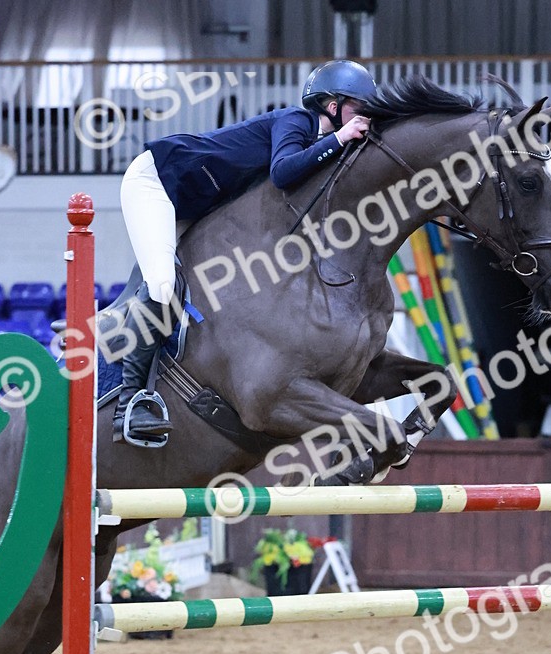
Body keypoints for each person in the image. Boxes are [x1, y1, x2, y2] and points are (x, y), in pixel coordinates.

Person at [114, 59, 376, 444]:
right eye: (358, 107)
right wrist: (341, 139)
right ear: (332, 106)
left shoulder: (317, 143)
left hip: (191, 203)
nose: (363, 117)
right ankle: (130, 402)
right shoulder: (296, 122)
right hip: (155, 182)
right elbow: (283, 173)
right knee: (162, 282)